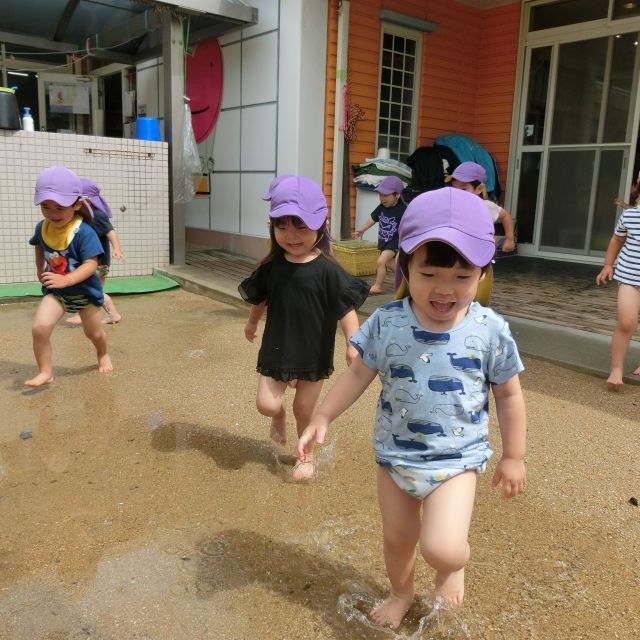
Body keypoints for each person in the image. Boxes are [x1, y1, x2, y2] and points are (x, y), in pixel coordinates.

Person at [297, 187, 527, 629]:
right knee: (398, 537)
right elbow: (359, 374)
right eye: (430, 274)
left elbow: (509, 394)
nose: (444, 290)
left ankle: (453, 565)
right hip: (395, 454)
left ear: (483, 272)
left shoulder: (489, 329)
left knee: (441, 546)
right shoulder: (389, 320)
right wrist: (323, 415)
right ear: (406, 267)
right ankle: (401, 592)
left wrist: (514, 455)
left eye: (462, 277)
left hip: (456, 458)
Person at [239, 175, 369, 480]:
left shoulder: (327, 271)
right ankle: (278, 417)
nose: (291, 235)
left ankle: (305, 457)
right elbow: (260, 298)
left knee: (304, 409)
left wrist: (353, 343)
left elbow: (345, 308)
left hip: (313, 353)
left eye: (300, 226)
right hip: (278, 348)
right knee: (266, 404)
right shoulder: (272, 267)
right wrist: (252, 321)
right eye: (281, 226)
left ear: (320, 225)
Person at [26, 166, 113, 387]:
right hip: (57, 292)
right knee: (40, 327)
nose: (52, 214)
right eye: (45, 206)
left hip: (84, 292)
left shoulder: (83, 232)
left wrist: (66, 279)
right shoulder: (42, 228)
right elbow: (38, 246)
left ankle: (102, 353)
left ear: (77, 204)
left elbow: (91, 264)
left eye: (59, 207)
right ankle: (46, 371)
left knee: (93, 334)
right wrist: (40, 269)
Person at [446, 161, 516, 306]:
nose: (458, 193)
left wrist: (509, 238)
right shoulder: (451, 204)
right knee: (457, 288)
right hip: (458, 255)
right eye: (454, 188)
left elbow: (505, 216)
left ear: (479, 189)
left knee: (479, 292)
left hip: (481, 258)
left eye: (464, 189)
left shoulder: (485, 206)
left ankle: (478, 311)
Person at [65, 178, 126, 326]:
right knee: (93, 290)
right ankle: (113, 315)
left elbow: (111, 232)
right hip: (91, 263)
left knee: (89, 289)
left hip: (98, 264)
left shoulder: (97, 215)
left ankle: (83, 316)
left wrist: (117, 249)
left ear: (87, 200)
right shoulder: (83, 217)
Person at [595, 200, 640, 389]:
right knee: (626, 322)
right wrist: (607, 265)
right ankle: (616, 369)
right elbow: (617, 239)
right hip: (630, 276)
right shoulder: (630, 215)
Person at [353, 175, 407, 295]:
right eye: (380, 195)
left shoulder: (403, 210)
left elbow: (409, 225)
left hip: (395, 241)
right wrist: (362, 229)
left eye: (385, 195)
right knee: (389, 263)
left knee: (381, 261)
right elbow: (373, 219)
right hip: (384, 241)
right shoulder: (382, 207)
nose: (382, 198)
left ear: (397, 195)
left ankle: (377, 286)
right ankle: (405, 278)